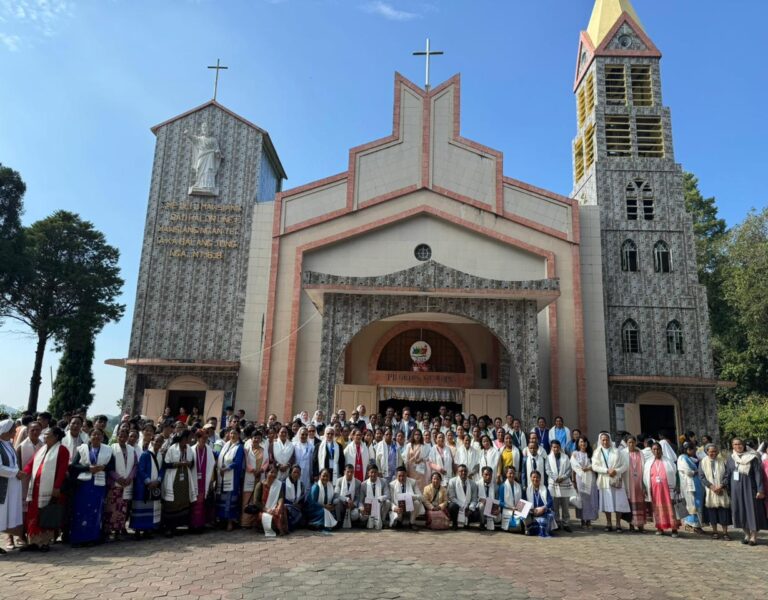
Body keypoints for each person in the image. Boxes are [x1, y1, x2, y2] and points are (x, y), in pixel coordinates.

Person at [21, 426, 69, 552]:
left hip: (49, 489)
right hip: (36, 489)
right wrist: (23, 473)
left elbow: (62, 470)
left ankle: (44, 542)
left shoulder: (62, 450)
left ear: (56, 437)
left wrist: (57, 487)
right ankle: (34, 542)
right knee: (33, 514)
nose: (44, 436)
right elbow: (31, 463)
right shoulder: (42, 449)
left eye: (47, 434)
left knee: (45, 514)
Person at [69, 428, 114, 546]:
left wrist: (103, 467)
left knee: (96, 510)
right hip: (84, 484)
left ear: (103, 437)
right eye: (94, 434)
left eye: (99, 435)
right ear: (89, 436)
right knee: (81, 509)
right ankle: (78, 538)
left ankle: (92, 537)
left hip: (99, 485)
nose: (96, 437)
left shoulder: (108, 450)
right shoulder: (82, 448)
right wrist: (88, 468)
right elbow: (74, 466)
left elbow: (112, 466)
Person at [725, 438, 766, 546]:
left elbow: (758, 474)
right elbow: (728, 474)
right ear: (732, 446)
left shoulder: (753, 457)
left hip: (750, 487)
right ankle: (746, 535)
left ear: (743, 445)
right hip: (736, 489)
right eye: (735, 444)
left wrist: (760, 490)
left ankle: (753, 537)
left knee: (751, 511)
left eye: (739, 444)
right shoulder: (730, 458)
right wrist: (726, 488)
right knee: (740, 511)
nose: (738, 446)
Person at [161, 430, 197, 537]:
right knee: (172, 502)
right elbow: (166, 463)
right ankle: (169, 527)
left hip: (184, 478)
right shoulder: (172, 448)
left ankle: (177, 526)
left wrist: (189, 463)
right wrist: (179, 463)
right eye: (188, 438)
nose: (190, 440)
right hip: (174, 477)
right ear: (183, 438)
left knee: (183, 500)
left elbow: (192, 463)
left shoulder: (189, 449)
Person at [592, 432, 629, 532]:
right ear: (600, 440)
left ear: (610, 440)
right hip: (604, 480)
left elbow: (625, 465)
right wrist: (606, 470)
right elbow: (594, 466)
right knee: (606, 502)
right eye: (603, 440)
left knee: (618, 502)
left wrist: (616, 471)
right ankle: (608, 523)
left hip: (616, 480)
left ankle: (618, 524)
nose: (605, 442)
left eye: (606, 439)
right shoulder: (597, 452)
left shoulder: (617, 451)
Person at [103, 428, 137, 539]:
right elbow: (109, 466)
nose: (122, 438)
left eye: (124, 436)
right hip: (115, 484)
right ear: (117, 437)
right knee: (111, 508)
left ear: (127, 437)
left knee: (122, 509)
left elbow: (135, 465)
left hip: (127, 483)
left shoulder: (132, 450)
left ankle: (118, 530)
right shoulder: (111, 448)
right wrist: (118, 478)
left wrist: (130, 477)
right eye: (120, 436)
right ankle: (108, 530)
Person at [131, 433, 164, 539]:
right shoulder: (145, 454)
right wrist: (149, 482)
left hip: (155, 485)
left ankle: (147, 530)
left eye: (160, 441)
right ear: (152, 441)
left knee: (151, 507)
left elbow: (162, 470)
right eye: (156, 441)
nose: (158, 443)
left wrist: (158, 481)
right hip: (143, 486)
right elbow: (140, 469)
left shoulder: (160, 455)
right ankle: (137, 530)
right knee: (141, 507)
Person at [643, 442, 679, 537]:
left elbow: (676, 474)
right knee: (657, 509)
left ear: (661, 450)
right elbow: (645, 477)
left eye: (658, 449)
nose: (656, 451)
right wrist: (646, 488)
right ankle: (660, 527)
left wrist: (677, 486)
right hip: (655, 491)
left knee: (670, 509)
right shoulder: (648, 463)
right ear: (651, 451)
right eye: (654, 449)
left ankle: (674, 529)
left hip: (667, 490)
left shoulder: (669, 461)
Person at [0, 419, 25, 553]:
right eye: (13, 430)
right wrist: (16, 473)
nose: (15, 432)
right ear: (5, 431)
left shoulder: (8, 444)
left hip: (11, 486)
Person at [698, 442, 731, 540]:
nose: (713, 453)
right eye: (711, 452)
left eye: (715, 451)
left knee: (723, 512)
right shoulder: (703, 462)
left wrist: (721, 485)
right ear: (707, 452)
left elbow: (727, 474)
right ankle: (715, 531)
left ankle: (725, 532)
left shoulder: (723, 461)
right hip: (710, 491)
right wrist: (711, 486)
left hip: (721, 489)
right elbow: (701, 476)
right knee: (712, 513)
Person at [216, 428, 244, 531]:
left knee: (230, 499)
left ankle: (230, 522)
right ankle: (222, 521)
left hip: (232, 477)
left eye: (235, 433)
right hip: (222, 476)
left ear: (239, 435)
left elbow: (237, 462)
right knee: (221, 499)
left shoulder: (239, 447)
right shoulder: (225, 445)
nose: (232, 435)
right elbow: (220, 456)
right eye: (231, 433)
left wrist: (226, 468)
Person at [545, 439, 573, 532]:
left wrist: (563, 477)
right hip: (554, 483)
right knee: (555, 505)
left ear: (560, 447)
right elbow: (547, 470)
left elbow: (569, 470)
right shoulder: (548, 458)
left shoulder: (566, 457)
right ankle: (556, 523)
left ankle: (566, 523)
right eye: (554, 447)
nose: (555, 449)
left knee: (565, 505)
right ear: (551, 448)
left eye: (557, 447)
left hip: (564, 483)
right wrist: (556, 478)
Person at [677, 441, 705, 534]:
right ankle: (692, 526)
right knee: (691, 505)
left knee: (696, 504)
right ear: (688, 449)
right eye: (693, 449)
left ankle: (696, 525)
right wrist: (695, 472)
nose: (694, 451)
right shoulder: (682, 458)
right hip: (689, 485)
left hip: (694, 484)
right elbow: (688, 471)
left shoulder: (688, 458)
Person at [191, 429, 216, 532]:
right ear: (198, 438)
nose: (205, 440)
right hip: (193, 479)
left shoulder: (209, 450)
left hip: (204, 480)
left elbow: (212, 464)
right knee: (193, 503)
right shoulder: (192, 449)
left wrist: (211, 480)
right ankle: (192, 524)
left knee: (201, 503)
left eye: (206, 438)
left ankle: (200, 524)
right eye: (203, 438)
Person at [622, 435, 647, 533]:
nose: (631, 444)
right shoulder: (623, 453)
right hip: (629, 482)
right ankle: (631, 524)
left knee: (640, 503)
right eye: (629, 443)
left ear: (636, 443)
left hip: (639, 483)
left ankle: (641, 525)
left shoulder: (640, 453)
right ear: (626, 443)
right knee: (630, 503)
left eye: (633, 442)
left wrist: (645, 484)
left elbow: (644, 467)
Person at [253, 466, 286, 537]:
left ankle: (281, 529)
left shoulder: (278, 484)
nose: (274, 475)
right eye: (271, 472)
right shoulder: (260, 485)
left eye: (275, 473)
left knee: (282, 510)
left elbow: (280, 497)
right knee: (269, 516)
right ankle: (279, 528)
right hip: (263, 509)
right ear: (266, 473)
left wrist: (279, 507)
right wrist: (267, 510)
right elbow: (256, 502)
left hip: (274, 507)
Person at [242, 429, 265, 528]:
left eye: (258, 438)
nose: (256, 439)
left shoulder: (263, 450)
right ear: (251, 438)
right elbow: (246, 462)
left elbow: (266, 462)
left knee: (257, 499)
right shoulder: (247, 450)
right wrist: (253, 471)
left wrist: (261, 470)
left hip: (259, 476)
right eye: (255, 437)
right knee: (247, 499)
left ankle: (255, 522)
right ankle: (245, 522)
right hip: (249, 476)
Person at [524, 470, 557, 537]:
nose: (535, 479)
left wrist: (543, 508)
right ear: (530, 478)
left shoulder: (545, 489)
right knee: (523, 516)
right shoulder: (527, 490)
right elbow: (524, 502)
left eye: (537, 477)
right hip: (532, 512)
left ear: (540, 479)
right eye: (533, 477)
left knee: (544, 520)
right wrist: (531, 510)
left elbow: (550, 501)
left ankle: (541, 531)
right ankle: (529, 530)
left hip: (543, 512)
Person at [447, 464, 479, 529]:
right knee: (452, 506)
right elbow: (452, 498)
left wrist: (470, 508)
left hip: (468, 506)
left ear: (467, 472)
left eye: (465, 471)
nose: (463, 473)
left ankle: (467, 523)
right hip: (457, 506)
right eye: (461, 471)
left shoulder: (473, 483)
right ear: (457, 472)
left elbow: (474, 499)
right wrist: (463, 506)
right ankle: (455, 523)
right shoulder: (452, 481)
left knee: (476, 513)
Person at [359, 465, 390, 530]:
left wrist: (380, 498)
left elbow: (387, 495)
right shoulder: (363, 484)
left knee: (387, 502)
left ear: (378, 473)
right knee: (361, 516)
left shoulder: (383, 481)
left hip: (379, 505)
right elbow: (360, 500)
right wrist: (361, 508)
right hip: (368, 507)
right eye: (371, 472)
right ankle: (367, 521)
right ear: (368, 473)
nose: (373, 474)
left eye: (375, 472)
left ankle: (383, 520)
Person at [498, 466, 525, 533]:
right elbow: (500, 502)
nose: (512, 475)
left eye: (513, 473)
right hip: (508, 510)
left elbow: (522, 500)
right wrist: (511, 507)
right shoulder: (503, 486)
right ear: (506, 474)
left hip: (518, 510)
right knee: (512, 528)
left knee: (520, 524)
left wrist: (518, 508)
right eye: (510, 473)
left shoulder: (519, 486)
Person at [292, 426, 314, 495]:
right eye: (302, 434)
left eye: (306, 435)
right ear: (299, 435)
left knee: (305, 490)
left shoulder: (311, 446)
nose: (304, 436)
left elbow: (311, 461)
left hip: (306, 472)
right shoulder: (294, 445)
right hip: (296, 471)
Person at [478, 466, 500, 530]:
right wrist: (480, 499)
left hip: (491, 507)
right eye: (486, 475)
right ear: (482, 475)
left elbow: (497, 500)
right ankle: (482, 523)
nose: (488, 477)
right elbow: (473, 498)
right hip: (479, 507)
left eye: (490, 475)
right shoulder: (477, 484)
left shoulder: (496, 487)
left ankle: (491, 522)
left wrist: (498, 509)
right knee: (481, 506)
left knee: (498, 518)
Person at [283, 465, 304, 531]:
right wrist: (292, 504)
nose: (296, 474)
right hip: (286, 506)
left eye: (298, 473)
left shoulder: (301, 484)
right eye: (294, 472)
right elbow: (282, 498)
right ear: (290, 473)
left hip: (297, 507)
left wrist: (300, 505)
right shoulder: (284, 483)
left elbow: (302, 498)